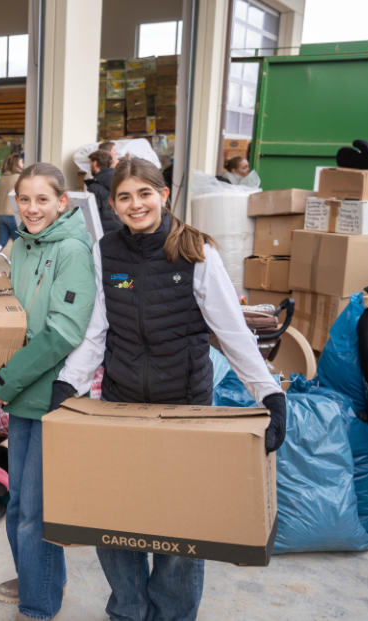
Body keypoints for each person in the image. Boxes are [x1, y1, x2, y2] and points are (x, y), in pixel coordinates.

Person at [54, 156, 287, 621]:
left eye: (144, 193)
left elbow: (232, 332)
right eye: (124, 196)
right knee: (114, 521)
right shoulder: (107, 252)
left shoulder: (196, 250)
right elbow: (96, 332)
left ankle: (172, 615)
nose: (135, 204)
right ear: (114, 205)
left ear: (163, 195)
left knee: (180, 530)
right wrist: (67, 384)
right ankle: (128, 610)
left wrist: (270, 394)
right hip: (121, 407)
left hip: (185, 409)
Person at [0, 162, 97, 621]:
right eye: (24, 199)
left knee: (34, 511)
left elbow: (62, 332)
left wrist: (5, 380)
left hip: (51, 395)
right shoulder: (22, 243)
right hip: (23, 397)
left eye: (42, 200)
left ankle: (38, 604)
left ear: (62, 202)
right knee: (19, 507)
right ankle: (41, 577)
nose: (31, 208)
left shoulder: (72, 250)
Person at [0, 153, 23, 251]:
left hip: (1, 214)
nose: (23, 164)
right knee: (19, 243)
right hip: (13, 214)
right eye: (22, 162)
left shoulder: (3, 177)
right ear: (16, 163)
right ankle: (18, 264)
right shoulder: (19, 177)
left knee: (1, 242)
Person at [85, 149, 122, 234]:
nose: (89, 166)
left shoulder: (94, 187)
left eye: (90, 163)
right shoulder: (121, 180)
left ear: (95, 163)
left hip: (103, 233)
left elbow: (90, 216)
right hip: (122, 230)